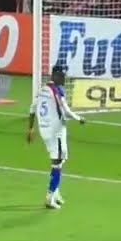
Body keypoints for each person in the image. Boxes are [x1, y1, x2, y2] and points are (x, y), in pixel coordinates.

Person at [27, 65, 84, 209]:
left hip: (44, 130)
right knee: (57, 164)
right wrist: (79, 118)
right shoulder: (57, 91)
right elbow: (66, 111)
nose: (64, 78)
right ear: (55, 75)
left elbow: (32, 108)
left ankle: (56, 192)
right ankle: (49, 197)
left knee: (60, 159)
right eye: (62, 76)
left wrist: (30, 128)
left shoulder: (42, 90)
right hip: (56, 131)